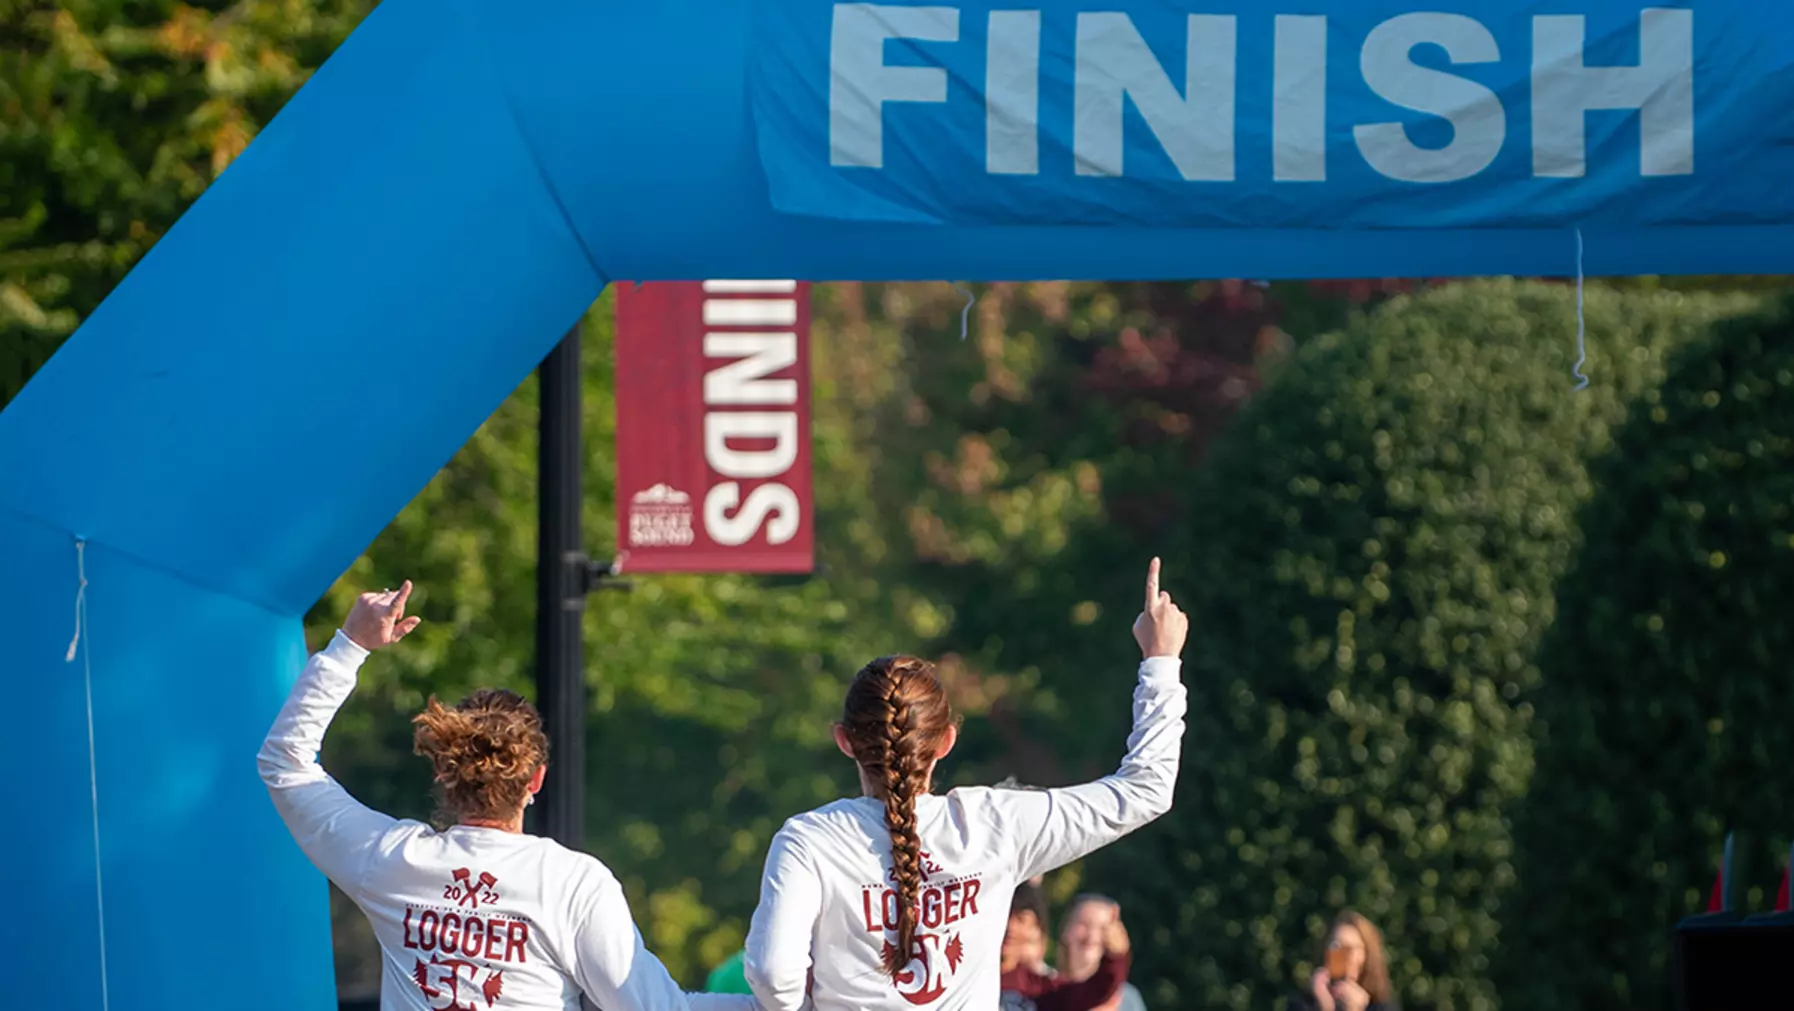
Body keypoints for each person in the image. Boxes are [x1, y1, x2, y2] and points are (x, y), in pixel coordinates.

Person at [258, 581, 752, 1011]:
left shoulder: (390, 860)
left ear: (444, 773)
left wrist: (351, 645)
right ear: (536, 780)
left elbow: (285, 764)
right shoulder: (572, 883)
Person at [744, 558, 1189, 1010]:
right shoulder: (997, 822)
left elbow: (773, 974)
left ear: (844, 741)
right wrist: (1160, 662)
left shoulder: (809, 841)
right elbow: (1146, 789)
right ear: (947, 741)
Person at [999, 885, 1130, 1011]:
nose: (1011, 928)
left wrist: (1115, 958)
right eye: (1006, 916)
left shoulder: (1037, 989)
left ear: (1037, 931)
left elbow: (1091, 992)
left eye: (1021, 919)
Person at [1285, 911, 1398, 1011]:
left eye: (1352, 948)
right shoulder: (1303, 1004)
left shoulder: (1381, 1006)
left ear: (1365, 956)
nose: (1345, 955)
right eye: (1337, 946)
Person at [1054, 895, 1146, 1011]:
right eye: (1084, 924)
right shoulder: (1043, 990)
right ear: (1066, 929)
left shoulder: (1127, 999)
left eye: (1103, 928)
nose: (1092, 936)